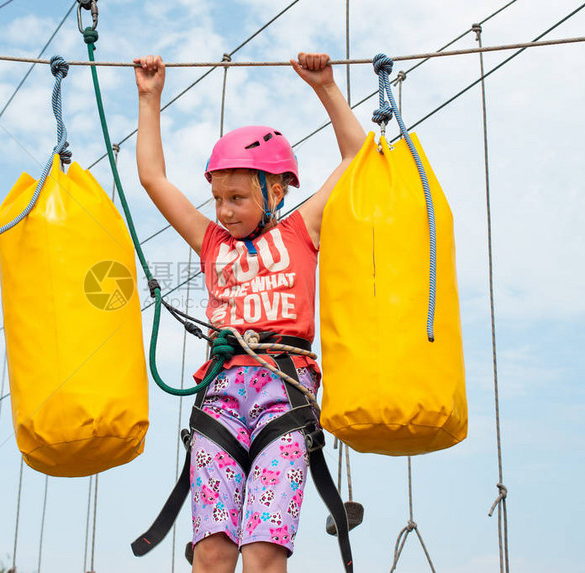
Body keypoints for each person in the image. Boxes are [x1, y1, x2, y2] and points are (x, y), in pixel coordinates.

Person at [134, 53, 366, 573]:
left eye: (236, 197)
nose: (223, 211)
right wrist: (150, 98)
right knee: (212, 552)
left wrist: (326, 87)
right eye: (217, 197)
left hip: (282, 394)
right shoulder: (211, 241)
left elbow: (357, 157)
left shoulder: (302, 230)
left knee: (264, 552)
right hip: (220, 398)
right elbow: (154, 179)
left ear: (275, 189)